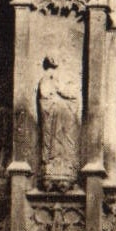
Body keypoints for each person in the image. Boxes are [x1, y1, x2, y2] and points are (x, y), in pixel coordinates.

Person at [36, 56, 80, 188]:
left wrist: (60, 89)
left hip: (64, 117)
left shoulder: (67, 79)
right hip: (52, 114)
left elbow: (72, 94)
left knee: (65, 135)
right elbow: (44, 95)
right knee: (53, 137)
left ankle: (67, 162)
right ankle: (51, 161)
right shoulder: (45, 79)